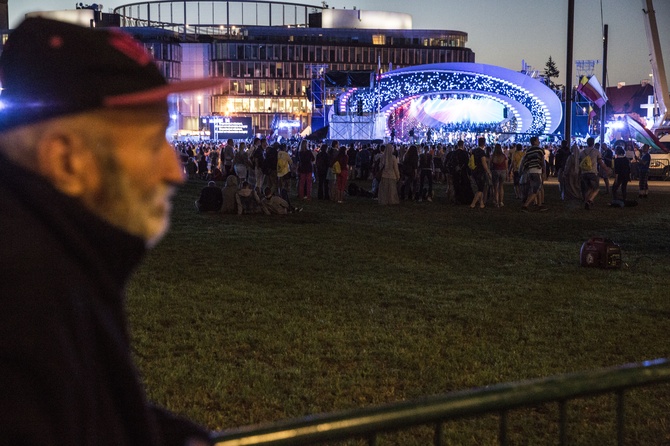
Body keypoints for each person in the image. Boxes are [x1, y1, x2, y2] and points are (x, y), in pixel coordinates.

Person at [0, 17, 216, 445]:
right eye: (154, 144)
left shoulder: (60, 253)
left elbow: (82, 410)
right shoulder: (22, 295)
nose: (176, 171)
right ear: (66, 160)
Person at [579, 137, 611, 209]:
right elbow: (600, 162)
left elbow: (579, 163)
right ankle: (589, 201)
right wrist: (606, 169)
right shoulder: (596, 152)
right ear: (593, 143)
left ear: (587, 143)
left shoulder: (582, 152)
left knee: (588, 188)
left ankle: (586, 201)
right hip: (593, 172)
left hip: (584, 173)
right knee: (596, 188)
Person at [519, 136, 547, 212]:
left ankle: (540, 205)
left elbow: (525, 161)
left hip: (530, 171)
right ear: (534, 142)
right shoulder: (539, 150)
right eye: (538, 140)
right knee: (536, 189)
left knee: (537, 188)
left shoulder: (528, 151)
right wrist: (544, 172)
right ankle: (525, 205)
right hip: (537, 171)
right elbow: (542, 161)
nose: (539, 142)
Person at [469, 137, 492, 209]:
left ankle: (481, 203)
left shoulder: (474, 151)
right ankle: (473, 204)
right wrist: (488, 172)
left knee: (479, 187)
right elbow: (484, 163)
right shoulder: (482, 152)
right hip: (480, 171)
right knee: (480, 189)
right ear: (484, 143)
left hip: (474, 170)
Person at [489, 143, 508, 207]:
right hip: (503, 171)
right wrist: (507, 173)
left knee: (495, 187)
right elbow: (506, 165)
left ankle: (496, 202)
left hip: (495, 171)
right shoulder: (503, 156)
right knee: (501, 186)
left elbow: (490, 164)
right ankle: (501, 201)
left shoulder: (493, 155)